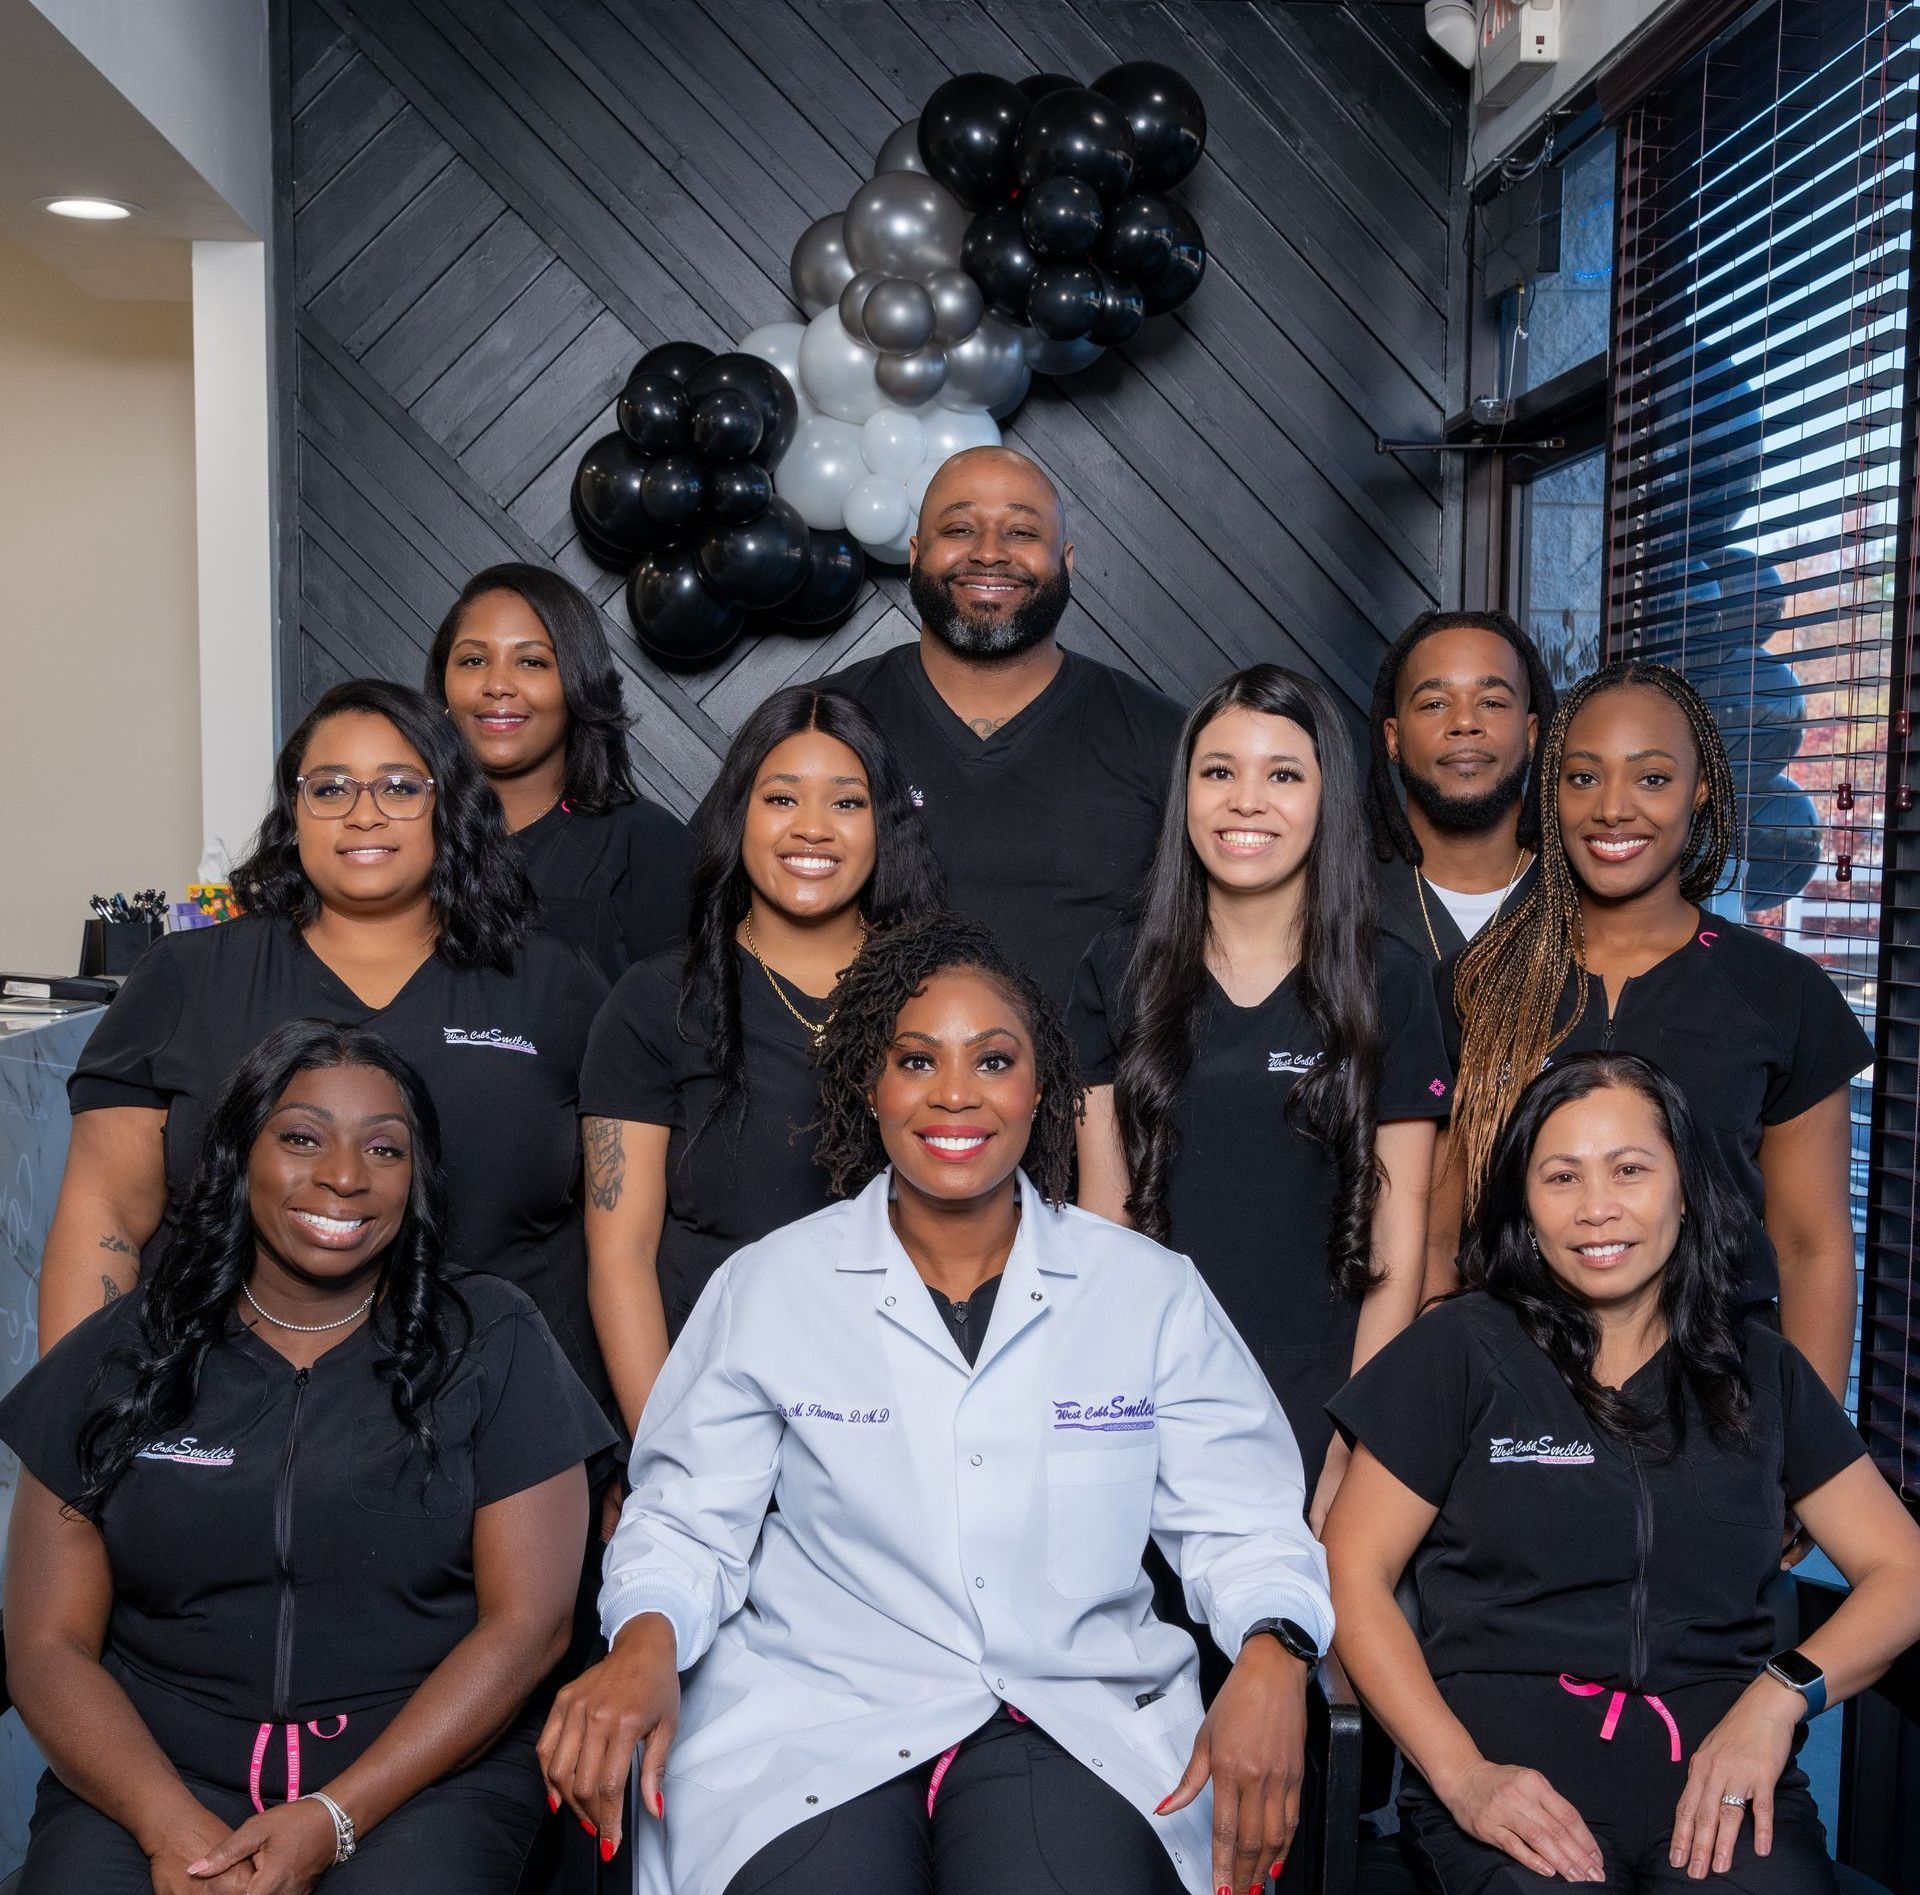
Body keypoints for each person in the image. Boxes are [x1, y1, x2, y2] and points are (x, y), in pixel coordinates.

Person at [539, 912, 1333, 1895]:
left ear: (1041, 1084)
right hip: (818, 1713)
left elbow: (1246, 1522)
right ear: (868, 1083)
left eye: (992, 1059)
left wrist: (1274, 1652)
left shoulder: (1147, 1290)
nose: (954, 1092)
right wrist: (645, 1637)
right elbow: (686, 1520)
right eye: (917, 1059)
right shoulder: (772, 1284)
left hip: (1065, 1711)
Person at [0, 1020, 613, 1894]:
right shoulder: (127, 1351)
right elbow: (46, 1643)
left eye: (384, 1149)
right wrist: (170, 1826)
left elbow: (528, 1628)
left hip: (417, 1783)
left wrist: (335, 1818)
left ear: (418, 1177)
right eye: (300, 1137)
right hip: (157, 1776)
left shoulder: (493, 1339)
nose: (344, 1176)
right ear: (240, 1153)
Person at [1324, 1052, 1920, 1891]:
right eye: (1561, 1176)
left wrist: (1779, 1697)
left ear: (1684, 1187)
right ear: (1526, 1208)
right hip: (1512, 1785)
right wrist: (1462, 1776)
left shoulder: (1760, 1368)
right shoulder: (1459, 1349)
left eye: (1630, 1169)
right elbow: (1352, 1570)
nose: (1597, 1208)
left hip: (1724, 1783)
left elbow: (1905, 1571)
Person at [40, 678, 612, 1433]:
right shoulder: (186, 977)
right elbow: (102, 1214)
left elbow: (616, 1239)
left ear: (450, 805)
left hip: (496, 1420)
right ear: (295, 809)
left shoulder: (556, 986)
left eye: (401, 786)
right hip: (218, 1421)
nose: (363, 811)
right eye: (330, 786)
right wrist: (82, 1428)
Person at [1071, 664, 1450, 1526]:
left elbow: (1403, 1242)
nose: (1248, 800)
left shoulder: (1390, 980)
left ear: (1327, 799)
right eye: (1219, 772)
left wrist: (1360, 1436)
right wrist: (1103, 1410)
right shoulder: (1115, 968)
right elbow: (1103, 1222)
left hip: (1324, 1396)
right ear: (1187, 793)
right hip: (1153, 1390)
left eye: (1283, 773)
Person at [1432, 661, 1871, 1400]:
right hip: (1509, 1410)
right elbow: (1440, 1238)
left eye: (1652, 778)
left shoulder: (1780, 995)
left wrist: (1805, 1463)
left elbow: (1810, 1250)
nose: (1612, 808)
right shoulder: (1478, 986)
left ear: (1700, 788)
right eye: (1582, 778)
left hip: (1715, 1411)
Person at [577, 686, 944, 1429]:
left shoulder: (940, 998)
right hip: (718, 1412)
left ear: (884, 826)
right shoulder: (655, 1003)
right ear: (738, 813)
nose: (812, 828)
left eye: (846, 803)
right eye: (781, 798)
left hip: (910, 1420)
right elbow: (621, 1255)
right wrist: (667, 1455)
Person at [821, 446, 1186, 1004]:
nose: (989, 554)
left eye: (1020, 532)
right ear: (916, 555)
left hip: (1097, 1090)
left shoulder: (1168, 740)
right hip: (857, 1085)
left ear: (1066, 562)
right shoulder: (819, 725)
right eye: (960, 528)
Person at [428, 562, 692, 982]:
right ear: (443, 685)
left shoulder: (643, 843)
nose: (497, 684)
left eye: (531, 662)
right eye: (474, 660)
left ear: (577, 683)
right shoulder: (401, 832)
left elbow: (685, 1027)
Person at [1365, 609, 1556, 963]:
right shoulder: (1338, 901)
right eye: (1435, 704)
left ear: (1532, 735)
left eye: (1492, 702)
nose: (1465, 722)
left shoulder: (1579, 903)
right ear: (1393, 740)